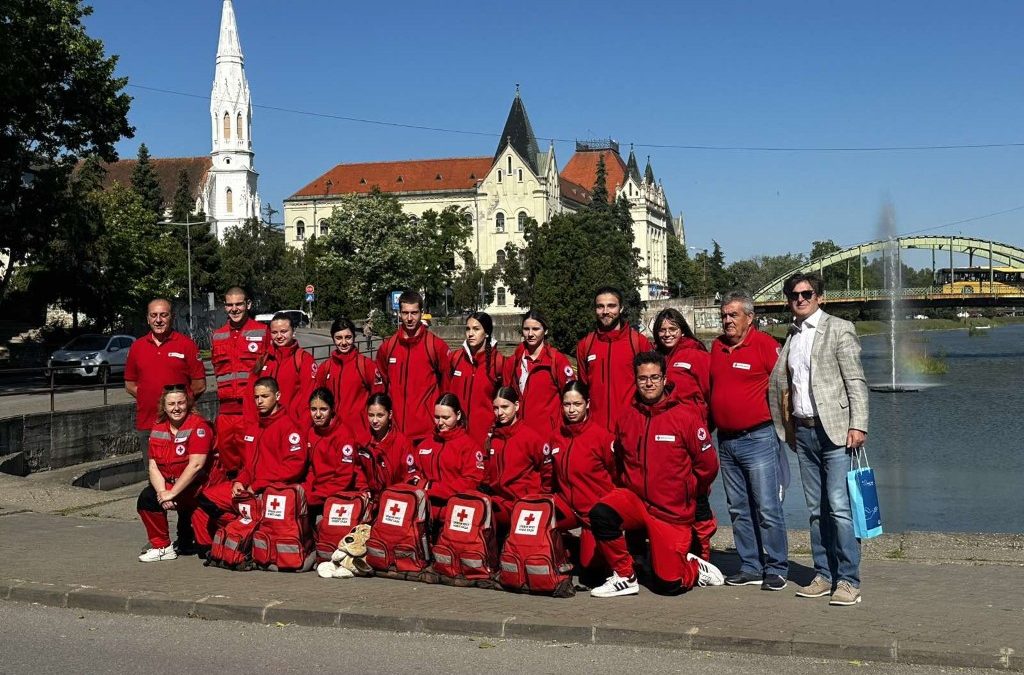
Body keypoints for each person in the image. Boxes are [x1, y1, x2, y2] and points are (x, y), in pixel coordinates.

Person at [768, 272, 869, 607]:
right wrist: (788, 428)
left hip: (837, 430)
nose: (800, 299)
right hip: (805, 431)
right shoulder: (792, 336)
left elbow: (855, 380)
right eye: (794, 295)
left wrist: (859, 425)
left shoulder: (839, 329)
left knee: (839, 508)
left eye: (807, 293)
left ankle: (849, 581)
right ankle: (824, 575)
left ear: (819, 297)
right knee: (816, 510)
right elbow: (785, 386)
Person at [588, 351, 724, 598]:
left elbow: (708, 466)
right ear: (636, 380)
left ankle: (694, 566)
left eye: (654, 377)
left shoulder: (686, 417)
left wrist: (687, 491)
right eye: (642, 378)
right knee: (601, 514)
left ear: (664, 378)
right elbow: (619, 458)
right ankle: (625, 576)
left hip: (671, 511)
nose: (648, 383)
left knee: (669, 586)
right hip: (637, 500)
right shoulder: (628, 415)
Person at [709, 290, 789, 591]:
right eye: (725, 315)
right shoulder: (716, 347)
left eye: (733, 315)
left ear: (750, 317)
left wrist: (786, 430)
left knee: (767, 506)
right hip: (727, 441)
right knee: (739, 507)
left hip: (758, 438)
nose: (727, 320)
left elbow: (785, 387)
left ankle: (777, 566)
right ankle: (751, 565)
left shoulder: (766, 345)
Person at [192, 377, 307, 548]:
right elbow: (249, 465)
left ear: (277, 396)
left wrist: (258, 485)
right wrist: (240, 481)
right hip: (249, 487)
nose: (259, 401)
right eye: (256, 397)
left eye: (264, 396)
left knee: (232, 508)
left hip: (271, 490)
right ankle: (210, 548)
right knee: (201, 502)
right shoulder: (254, 427)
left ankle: (239, 535)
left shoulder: (288, 426)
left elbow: (294, 466)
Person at [550, 381, 619, 583]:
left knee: (592, 574)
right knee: (539, 516)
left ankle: (597, 549)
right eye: (566, 404)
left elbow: (615, 474)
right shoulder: (556, 437)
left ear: (587, 404)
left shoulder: (602, 437)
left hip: (593, 513)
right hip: (568, 508)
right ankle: (566, 546)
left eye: (577, 404)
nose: (571, 410)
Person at [136, 384, 213, 562]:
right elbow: (153, 466)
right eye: (171, 404)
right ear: (164, 406)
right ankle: (162, 546)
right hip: (173, 487)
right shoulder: (158, 428)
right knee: (147, 498)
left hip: (197, 489)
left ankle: (189, 537)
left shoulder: (199, 427)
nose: (176, 408)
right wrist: (163, 493)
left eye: (180, 403)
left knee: (206, 549)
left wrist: (172, 492)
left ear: (188, 404)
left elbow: (196, 466)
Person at [125, 299, 206, 453]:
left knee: (183, 471)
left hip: (181, 423)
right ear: (147, 319)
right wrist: (152, 398)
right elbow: (130, 385)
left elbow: (199, 385)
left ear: (172, 317)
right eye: (154, 315)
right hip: (148, 423)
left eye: (164, 315)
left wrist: (178, 404)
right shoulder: (137, 347)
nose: (158, 320)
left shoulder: (187, 345)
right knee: (153, 472)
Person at [209, 287, 270, 481]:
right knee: (228, 465)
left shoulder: (262, 332)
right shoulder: (217, 336)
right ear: (225, 307)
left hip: (251, 411)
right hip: (225, 413)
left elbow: (269, 372)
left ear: (248, 305)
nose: (234, 309)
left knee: (252, 461)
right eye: (230, 305)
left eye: (239, 304)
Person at [375, 290, 450, 446]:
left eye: (414, 313)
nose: (409, 318)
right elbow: (382, 387)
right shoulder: (387, 348)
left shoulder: (436, 346)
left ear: (422, 313)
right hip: (395, 432)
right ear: (399, 313)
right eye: (405, 313)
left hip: (427, 432)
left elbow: (446, 387)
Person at [576, 287, 651, 432]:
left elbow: (650, 388)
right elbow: (583, 388)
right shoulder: (585, 345)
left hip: (631, 429)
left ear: (621, 308)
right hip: (595, 431)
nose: (605, 311)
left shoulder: (638, 343)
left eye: (611, 306)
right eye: (600, 306)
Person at [482, 386, 553, 533]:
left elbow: (548, 471)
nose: (499, 413)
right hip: (499, 500)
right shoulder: (493, 437)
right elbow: (488, 470)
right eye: (495, 408)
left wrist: (539, 497)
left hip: (524, 503)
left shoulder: (531, 438)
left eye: (505, 407)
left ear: (517, 405)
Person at [415, 393, 487, 524]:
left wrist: (433, 488)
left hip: (456, 513)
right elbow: (414, 473)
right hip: (425, 512)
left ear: (458, 415)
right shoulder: (424, 445)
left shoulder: (469, 446)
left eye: (446, 417)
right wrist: (416, 482)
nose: (440, 423)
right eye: (437, 417)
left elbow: (471, 482)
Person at [302, 388, 369, 526]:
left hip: (342, 491)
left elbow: (344, 477)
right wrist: (306, 491)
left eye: (323, 409)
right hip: (318, 493)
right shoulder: (312, 432)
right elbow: (311, 469)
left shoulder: (344, 435)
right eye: (313, 409)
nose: (318, 414)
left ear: (332, 409)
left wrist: (316, 496)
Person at [504, 310, 575, 439]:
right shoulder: (512, 362)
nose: (530, 334)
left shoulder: (557, 361)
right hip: (519, 436)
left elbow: (573, 399)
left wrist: (560, 430)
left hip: (548, 437)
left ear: (545, 331)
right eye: (526, 329)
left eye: (536, 329)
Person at [445, 312, 506, 446]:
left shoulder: (498, 362)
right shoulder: (455, 359)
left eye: (476, 329)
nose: (470, 333)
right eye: (468, 329)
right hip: (456, 437)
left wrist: (493, 431)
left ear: (487, 333)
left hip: (484, 438)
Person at [315, 317, 385, 432]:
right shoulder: (324, 368)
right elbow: (318, 401)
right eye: (338, 338)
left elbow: (379, 400)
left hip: (361, 433)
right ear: (333, 338)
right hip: (333, 433)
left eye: (348, 337)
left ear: (354, 337)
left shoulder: (366, 365)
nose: (343, 343)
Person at [256, 312, 317, 424]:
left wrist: (302, 428)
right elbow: (252, 395)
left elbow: (309, 399)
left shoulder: (304, 359)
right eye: (274, 332)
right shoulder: (264, 359)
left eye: (284, 331)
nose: (279, 336)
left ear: (293, 332)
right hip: (266, 426)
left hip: (292, 426)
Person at [651, 308, 709, 413]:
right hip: (666, 421)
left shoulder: (696, 354)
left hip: (692, 421)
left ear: (682, 331)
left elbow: (710, 392)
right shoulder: (655, 356)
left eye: (673, 329)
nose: (667, 334)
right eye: (662, 330)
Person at [362, 392, 421, 495]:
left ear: (390, 414)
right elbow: (359, 472)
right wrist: (364, 490)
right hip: (371, 499)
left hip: (396, 497)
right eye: (371, 415)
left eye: (380, 415)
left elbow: (410, 476)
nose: (374, 420)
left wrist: (393, 494)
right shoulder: (363, 442)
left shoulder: (403, 443)